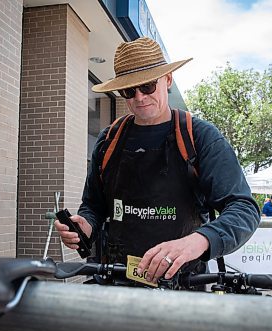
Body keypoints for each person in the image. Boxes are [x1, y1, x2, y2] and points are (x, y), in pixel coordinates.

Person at [54, 37, 260, 285]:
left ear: (168, 80)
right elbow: (94, 206)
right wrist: (85, 226)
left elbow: (243, 208)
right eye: (129, 91)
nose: (139, 97)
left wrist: (201, 240)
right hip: (118, 279)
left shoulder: (201, 137)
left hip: (182, 284)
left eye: (148, 86)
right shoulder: (108, 141)